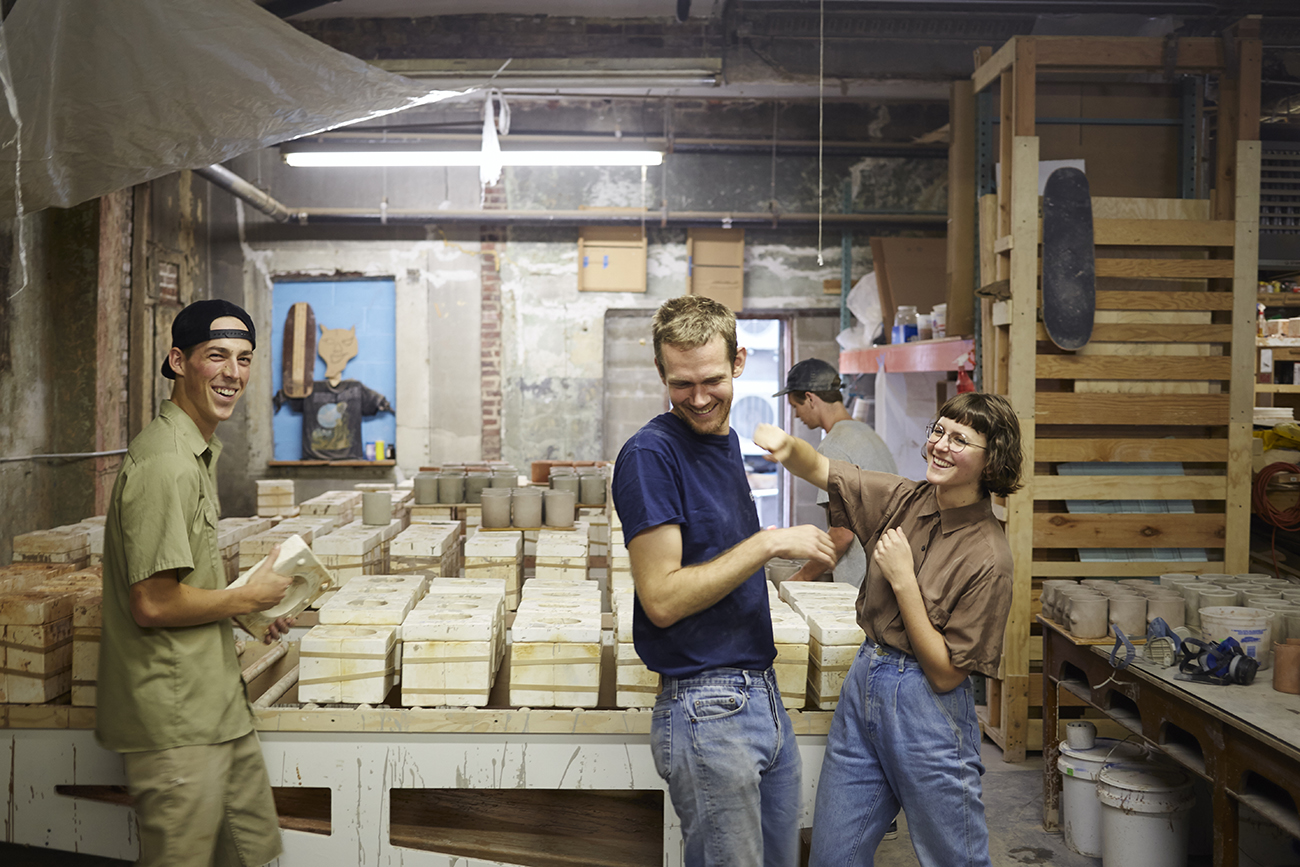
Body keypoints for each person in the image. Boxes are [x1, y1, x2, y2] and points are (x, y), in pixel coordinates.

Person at [611, 295, 836, 867]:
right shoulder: (650, 455)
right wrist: (766, 544)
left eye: (711, 379)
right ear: (662, 373)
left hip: (758, 691)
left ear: (738, 362)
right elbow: (660, 599)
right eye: (681, 384)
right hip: (706, 705)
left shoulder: (725, 441)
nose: (699, 397)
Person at [754, 391, 1024, 867]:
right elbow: (825, 470)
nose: (940, 444)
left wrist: (904, 582)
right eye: (939, 430)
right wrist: (786, 446)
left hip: (927, 708)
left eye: (960, 439)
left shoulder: (989, 557)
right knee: (833, 856)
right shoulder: (905, 499)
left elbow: (945, 674)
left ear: (991, 459)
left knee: (953, 857)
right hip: (866, 680)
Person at [97, 299, 296, 867]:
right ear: (179, 362)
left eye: (244, 359)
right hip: (177, 721)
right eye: (217, 357)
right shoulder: (166, 463)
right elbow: (152, 603)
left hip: (218, 708)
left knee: (253, 853)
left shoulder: (197, 451)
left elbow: (182, 580)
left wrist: (243, 605)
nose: (233, 373)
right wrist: (242, 597)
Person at [774, 358, 895, 588]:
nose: (797, 415)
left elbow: (842, 535)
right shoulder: (867, 434)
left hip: (861, 587)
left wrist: (799, 579)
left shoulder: (833, 446)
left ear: (810, 398)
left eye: (795, 406)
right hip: (884, 577)